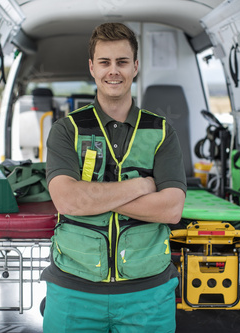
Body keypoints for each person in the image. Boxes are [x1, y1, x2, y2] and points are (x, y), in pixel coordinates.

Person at [42, 22, 187, 332]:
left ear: (135, 67)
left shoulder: (162, 132)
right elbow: (67, 199)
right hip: (73, 290)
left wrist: (93, 198)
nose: (114, 71)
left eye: (122, 62)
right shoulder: (67, 130)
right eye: (105, 62)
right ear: (92, 68)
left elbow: (171, 209)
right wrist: (140, 186)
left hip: (148, 294)